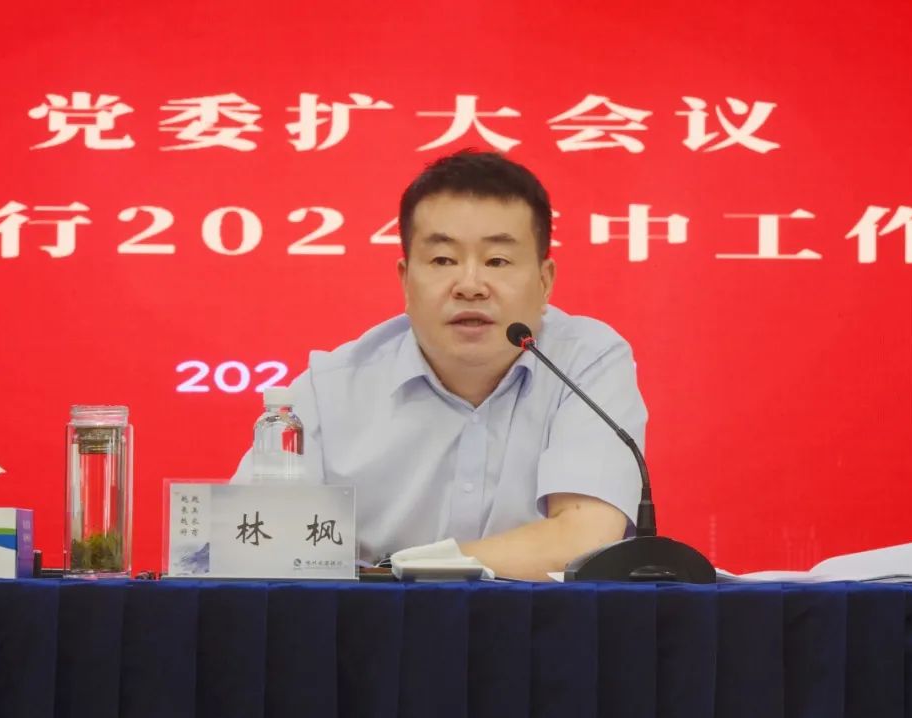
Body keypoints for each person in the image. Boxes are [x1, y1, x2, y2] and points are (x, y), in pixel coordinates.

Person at [233, 149, 646, 580]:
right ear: (405, 280)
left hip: (537, 622)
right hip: (368, 622)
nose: (470, 286)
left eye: (497, 261)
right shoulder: (330, 391)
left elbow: (582, 539)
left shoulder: (585, 362)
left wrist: (396, 572)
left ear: (545, 282)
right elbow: (252, 543)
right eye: (443, 260)